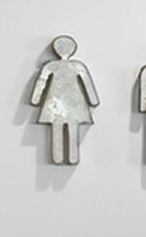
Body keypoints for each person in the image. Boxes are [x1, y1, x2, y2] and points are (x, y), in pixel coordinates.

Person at [27, 34, 98, 164]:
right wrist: (93, 100)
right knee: (72, 129)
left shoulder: (51, 66)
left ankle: (58, 158)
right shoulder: (77, 66)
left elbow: (41, 82)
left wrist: (36, 99)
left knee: (57, 128)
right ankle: (72, 157)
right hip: (71, 104)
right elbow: (87, 83)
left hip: (56, 104)